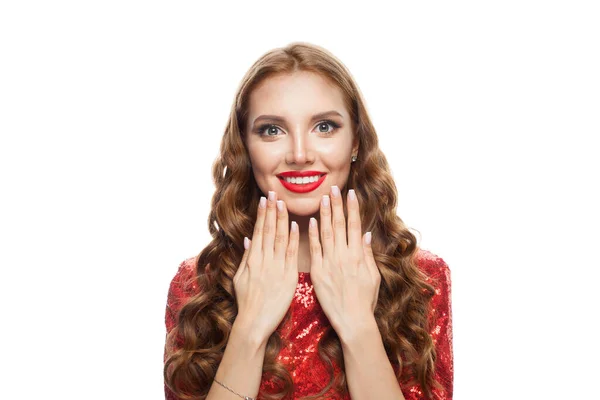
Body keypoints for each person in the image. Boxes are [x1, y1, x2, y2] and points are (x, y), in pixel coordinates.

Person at [163, 42, 453, 400]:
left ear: (356, 142)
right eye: (272, 130)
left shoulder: (422, 279)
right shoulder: (198, 284)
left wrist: (357, 326)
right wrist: (250, 327)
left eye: (325, 126)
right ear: (244, 146)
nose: (299, 155)